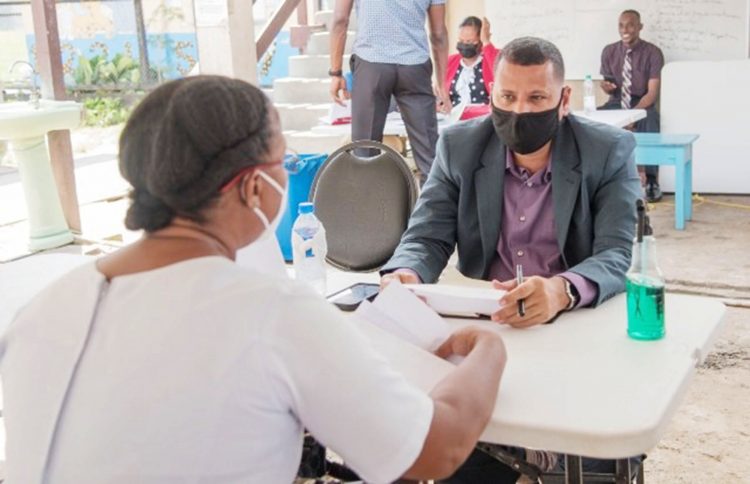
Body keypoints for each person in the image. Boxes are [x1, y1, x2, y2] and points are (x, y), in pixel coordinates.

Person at [0, 76, 508, 483]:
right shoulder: (270, 312)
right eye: (280, 160)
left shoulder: (46, 306)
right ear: (251, 187)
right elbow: (435, 451)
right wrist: (489, 349)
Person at [380, 37, 642, 482]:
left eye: (536, 97)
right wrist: (405, 271)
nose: (520, 110)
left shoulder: (608, 150)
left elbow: (615, 253)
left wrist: (560, 290)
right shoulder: (460, 146)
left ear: (563, 100)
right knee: (442, 445)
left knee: (592, 449)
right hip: (491, 329)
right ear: (492, 92)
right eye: (507, 96)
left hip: (572, 330)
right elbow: (426, 235)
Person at [329, 0, 449, 184]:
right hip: (414, 67)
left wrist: (335, 72)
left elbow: (339, 20)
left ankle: (370, 211)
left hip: (372, 64)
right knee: (428, 156)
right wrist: (441, 83)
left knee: (365, 152)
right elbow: (439, 34)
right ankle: (433, 212)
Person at [599, 9, 665, 203]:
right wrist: (607, 86)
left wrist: (631, 116)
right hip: (616, 102)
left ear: (640, 27)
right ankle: (604, 181)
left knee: (651, 119)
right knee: (594, 122)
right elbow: (609, 86)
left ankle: (652, 181)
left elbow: (652, 93)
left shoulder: (653, 52)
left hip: (641, 103)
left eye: (630, 25)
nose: (625, 29)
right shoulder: (609, 51)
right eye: (621, 25)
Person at [446, 16, 500, 107]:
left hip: (484, 117)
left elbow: (500, 72)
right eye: (461, 40)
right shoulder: (450, 61)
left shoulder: (493, 56)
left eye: (469, 41)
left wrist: (486, 42)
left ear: (480, 40)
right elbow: (440, 93)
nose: (464, 44)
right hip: (454, 117)